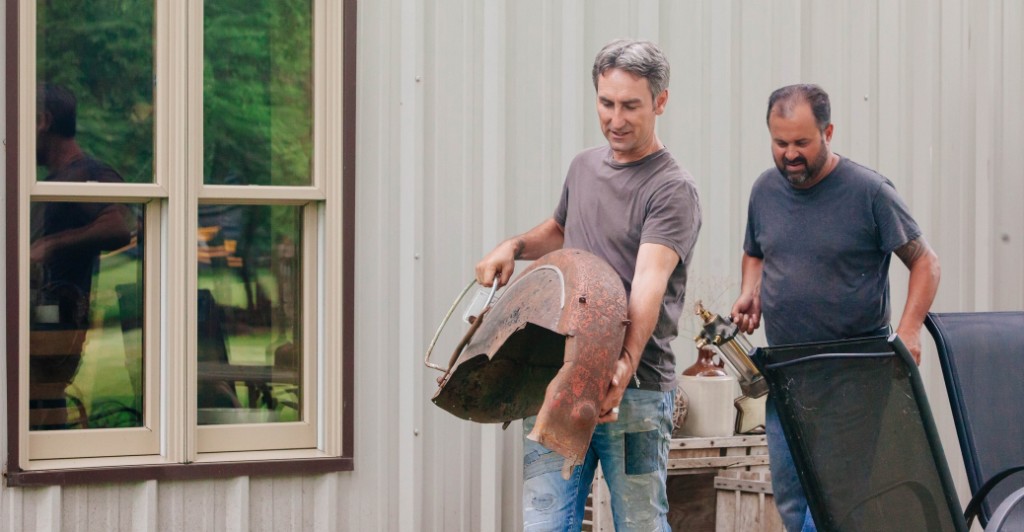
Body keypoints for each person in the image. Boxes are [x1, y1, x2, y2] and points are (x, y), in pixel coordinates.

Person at [475, 39, 701, 531]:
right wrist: (512, 246)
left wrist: (623, 364)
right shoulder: (583, 167)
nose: (615, 119)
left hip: (636, 395)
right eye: (606, 103)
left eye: (630, 106)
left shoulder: (671, 188)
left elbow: (649, 281)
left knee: (639, 523)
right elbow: (560, 228)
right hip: (557, 381)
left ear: (660, 102)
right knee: (544, 523)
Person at [730, 84, 941, 532]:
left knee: (831, 505)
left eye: (802, 143)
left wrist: (910, 329)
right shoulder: (765, 191)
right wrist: (752, 290)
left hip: (854, 375)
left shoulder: (870, 192)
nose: (790, 154)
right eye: (780, 142)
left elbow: (925, 262)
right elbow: (755, 250)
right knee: (791, 502)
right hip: (786, 374)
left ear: (828, 132)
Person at [30, 84, 136, 430]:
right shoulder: (51, 181)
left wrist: (52, 244)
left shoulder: (86, 173)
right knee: (43, 406)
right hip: (40, 322)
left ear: (43, 121)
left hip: (56, 323)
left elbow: (120, 223)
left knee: (40, 400)